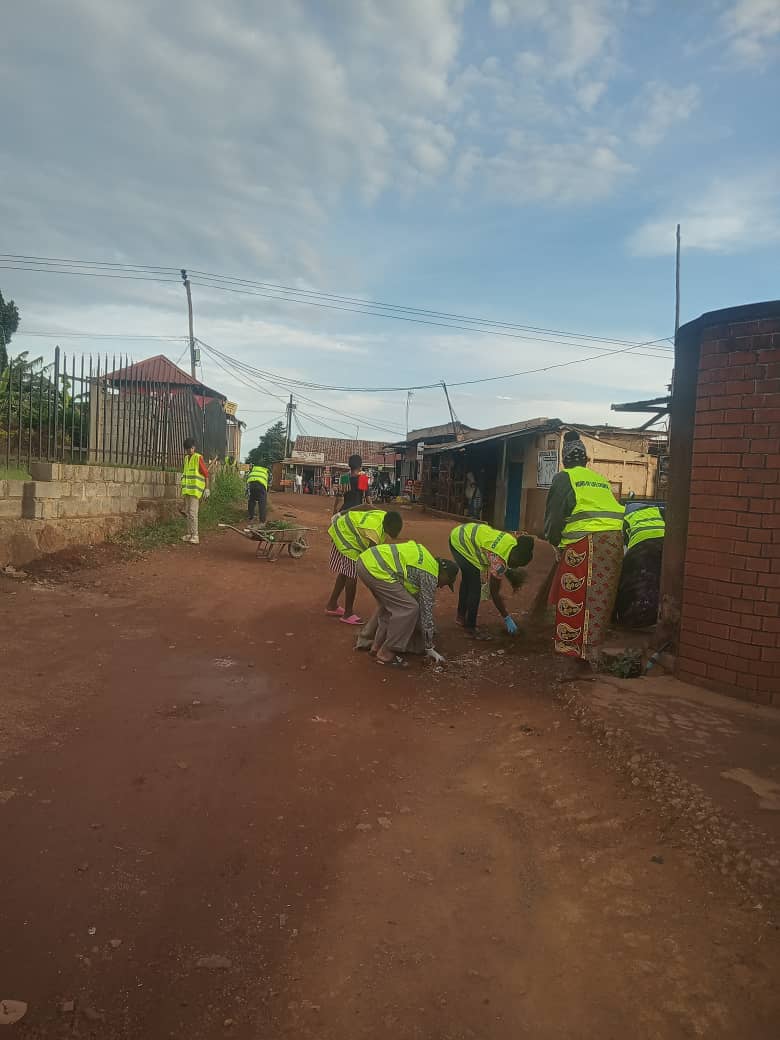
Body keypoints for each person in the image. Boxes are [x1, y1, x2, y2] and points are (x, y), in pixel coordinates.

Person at [544, 430, 625, 665]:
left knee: (574, 596)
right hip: (614, 543)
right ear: (586, 460)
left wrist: (554, 542)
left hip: (586, 543)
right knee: (599, 599)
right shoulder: (599, 479)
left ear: (564, 459)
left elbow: (555, 518)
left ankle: (571, 657)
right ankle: (592, 652)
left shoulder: (564, 477)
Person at [355, 540, 459, 667]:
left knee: (391, 607)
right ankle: (386, 653)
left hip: (366, 562)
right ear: (444, 574)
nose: (442, 586)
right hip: (376, 569)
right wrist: (429, 647)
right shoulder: (430, 575)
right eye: (446, 582)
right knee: (409, 608)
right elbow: (426, 613)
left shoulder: (427, 561)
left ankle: (375, 648)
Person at [450, 522, 535, 638]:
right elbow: (494, 593)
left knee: (467, 579)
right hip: (461, 543)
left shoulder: (512, 542)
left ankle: (460, 617)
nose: (515, 567)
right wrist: (507, 617)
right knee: (475, 587)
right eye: (517, 564)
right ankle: (471, 628)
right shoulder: (499, 562)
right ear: (516, 557)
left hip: (463, 532)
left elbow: (505, 561)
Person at [326, 507, 404, 625]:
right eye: (393, 532)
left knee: (345, 572)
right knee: (352, 575)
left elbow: (365, 505)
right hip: (346, 536)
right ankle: (348, 614)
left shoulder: (383, 514)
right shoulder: (375, 532)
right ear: (387, 527)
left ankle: (331, 605)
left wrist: (341, 513)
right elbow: (369, 558)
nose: (395, 535)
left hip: (344, 526)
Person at [614, 502, 665, 627]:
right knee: (660, 580)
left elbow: (624, 541)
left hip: (640, 546)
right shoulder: (657, 510)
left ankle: (635, 617)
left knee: (634, 581)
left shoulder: (625, 516)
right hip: (664, 544)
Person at [181, 437, 210, 545]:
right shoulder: (186, 459)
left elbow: (206, 474)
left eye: (191, 448)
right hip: (188, 490)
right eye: (188, 449)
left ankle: (195, 535)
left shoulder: (198, 458)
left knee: (193, 513)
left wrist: (207, 488)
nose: (189, 451)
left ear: (194, 448)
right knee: (188, 513)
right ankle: (189, 534)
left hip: (195, 491)